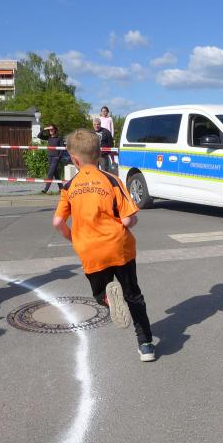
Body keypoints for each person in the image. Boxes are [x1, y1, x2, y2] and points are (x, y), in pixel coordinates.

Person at [52, 129, 155, 362]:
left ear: (74, 160)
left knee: (99, 292)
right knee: (133, 295)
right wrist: (132, 222)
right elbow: (127, 220)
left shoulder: (69, 187)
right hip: (119, 247)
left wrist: (74, 238)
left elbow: (57, 222)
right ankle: (146, 344)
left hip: (90, 250)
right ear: (99, 154)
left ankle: (108, 300)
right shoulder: (112, 180)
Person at [41, 124, 65, 194]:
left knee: (50, 173)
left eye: (52, 129)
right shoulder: (49, 137)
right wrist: (44, 129)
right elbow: (39, 136)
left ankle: (46, 189)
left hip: (56, 158)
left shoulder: (59, 138)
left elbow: (62, 148)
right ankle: (61, 188)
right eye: (49, 129)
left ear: (55, 130)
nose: (50, 130)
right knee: (55, 173)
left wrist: (58, 156)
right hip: (50, 157)